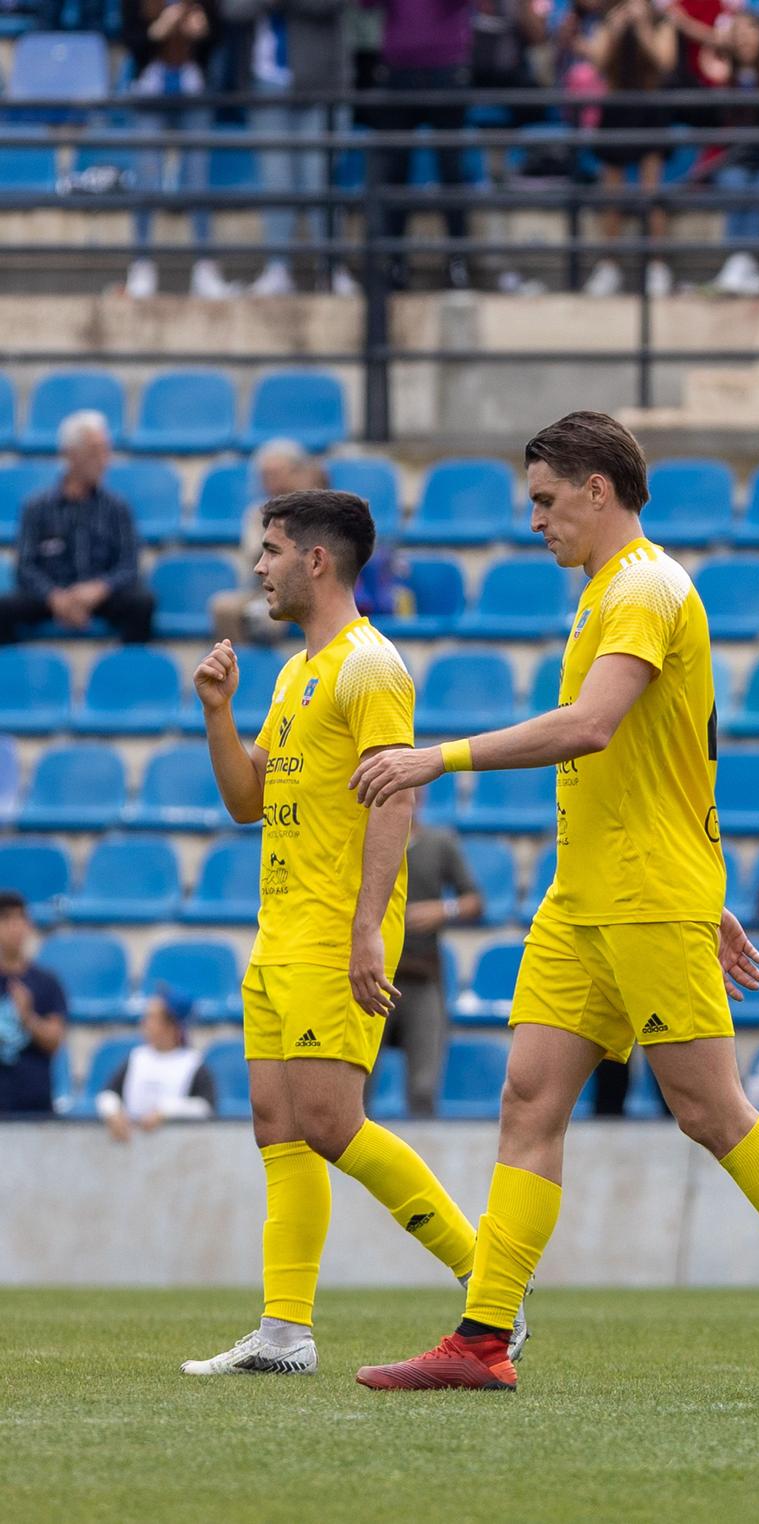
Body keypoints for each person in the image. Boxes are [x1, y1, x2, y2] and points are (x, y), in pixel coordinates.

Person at [347, 411, 759, 1395]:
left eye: (546, 501)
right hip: (591, 896)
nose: (534, 521)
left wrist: (437, 756)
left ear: (597, 491)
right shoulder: (611, 591)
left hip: (641, 894)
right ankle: (482, 1336)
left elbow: (593, 727)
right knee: (528, 1097)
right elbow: (678, 751)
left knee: (707, 1109)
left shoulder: (644, 584)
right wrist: (706, 882)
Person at [183, 489, 502, 1378]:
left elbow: (397, 790)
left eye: (272, 549)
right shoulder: (294, 675)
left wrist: (370, 928)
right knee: (278, 1127)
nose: (259, 568)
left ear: (316, 560)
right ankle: (285, 1334)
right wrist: (218, 712)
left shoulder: (372, 667)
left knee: (330, 1122)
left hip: (332, 931)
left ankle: (492, 1290)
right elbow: (249, 802)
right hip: (278, 933)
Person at [0, 412, 156, 646]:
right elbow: (25, 567)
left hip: (102, 597)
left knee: (142, 603)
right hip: (51, 597)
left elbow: (128, 566)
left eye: (106, 450)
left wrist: (99, 589)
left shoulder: (117, 508)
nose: (104, 460)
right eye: (95, 451)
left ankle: (126, 675)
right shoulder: (37, 508)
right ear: (71, 455)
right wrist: (55, 598)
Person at [123, 1, 235, 301]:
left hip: (194, 91)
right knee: (147, 176)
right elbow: (130, 41)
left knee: (197, 179)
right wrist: (157, 31)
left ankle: (205, 268)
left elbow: (221, 39)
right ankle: (142, 265)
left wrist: (202, 31)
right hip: (149, 92)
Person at [363, 0, 478, 291]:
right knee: (395, 171)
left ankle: (458, 261)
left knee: (451, 170)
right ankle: (394, 262)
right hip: (397, 70)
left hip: (447, 68)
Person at [246, 1, 356, 298]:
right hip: (266, 84)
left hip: (320, 82)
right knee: (277, 181)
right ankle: (277, 268)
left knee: (320, 178)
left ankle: (332, 268)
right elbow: (233, 8)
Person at [581, 0, 679, 299]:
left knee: (651, 193)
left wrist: (643, 29)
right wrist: (616, 29)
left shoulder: (663, 25)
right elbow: (598, 64)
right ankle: (609, 266)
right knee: (612, 195)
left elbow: (664, 63)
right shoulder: (607, 22)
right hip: (617, 111)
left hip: (649, 110)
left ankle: (657, 266)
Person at [392, 813, 486, 1118]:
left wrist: (443, 909)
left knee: (423, 1087)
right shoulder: (363, 840)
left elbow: (475, 900)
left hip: (422, 976)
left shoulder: (438, 843)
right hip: (370, 976)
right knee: (354, 1087)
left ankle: (421, 1158)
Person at [211, 439, 325, 645]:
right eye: (265, 475)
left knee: (271, 616)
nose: (271, 481)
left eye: (277, 473)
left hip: (313, 588)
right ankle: (239, 668)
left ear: (298, 472)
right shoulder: (257, 514)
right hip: (266, 588)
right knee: (224, 607)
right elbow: (256, 557)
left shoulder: (319, 509)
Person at [706, 9, 759, 297]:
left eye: (753, 30)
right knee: (735, 184)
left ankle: (743, 264)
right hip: (733, 160)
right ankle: (741, 263)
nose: (746, 38)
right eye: (740, 32)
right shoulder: (725, 75)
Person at [97, 988, 218, 1140]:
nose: (144, 1023)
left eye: (152, 1018)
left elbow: (204, 1107)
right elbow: (108, 1094)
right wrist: (113, 1112)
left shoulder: (194, 1065)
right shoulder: (137, 1058)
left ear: (172, 1026)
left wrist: (165, 1112)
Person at [0, 890, 68, 1117]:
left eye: (21, 918)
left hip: (35, 1108)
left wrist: (28, 1017)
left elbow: (55, 1041)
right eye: (6, 919)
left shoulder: (47, 983)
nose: (15, 927)